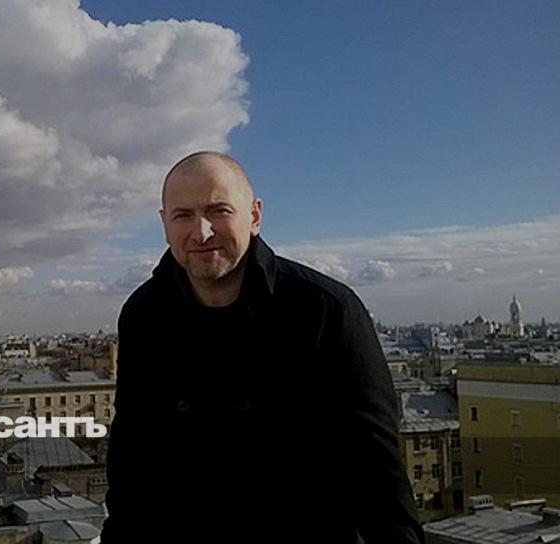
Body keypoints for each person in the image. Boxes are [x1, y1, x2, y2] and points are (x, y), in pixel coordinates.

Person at [100, 151, 423, 543]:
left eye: (218, 211)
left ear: (254, 216)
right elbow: (133, 463)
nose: (201, 232)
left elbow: (377, 474)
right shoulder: (145, 314)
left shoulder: (324, 309)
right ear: (165, 225)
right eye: (183, 215)